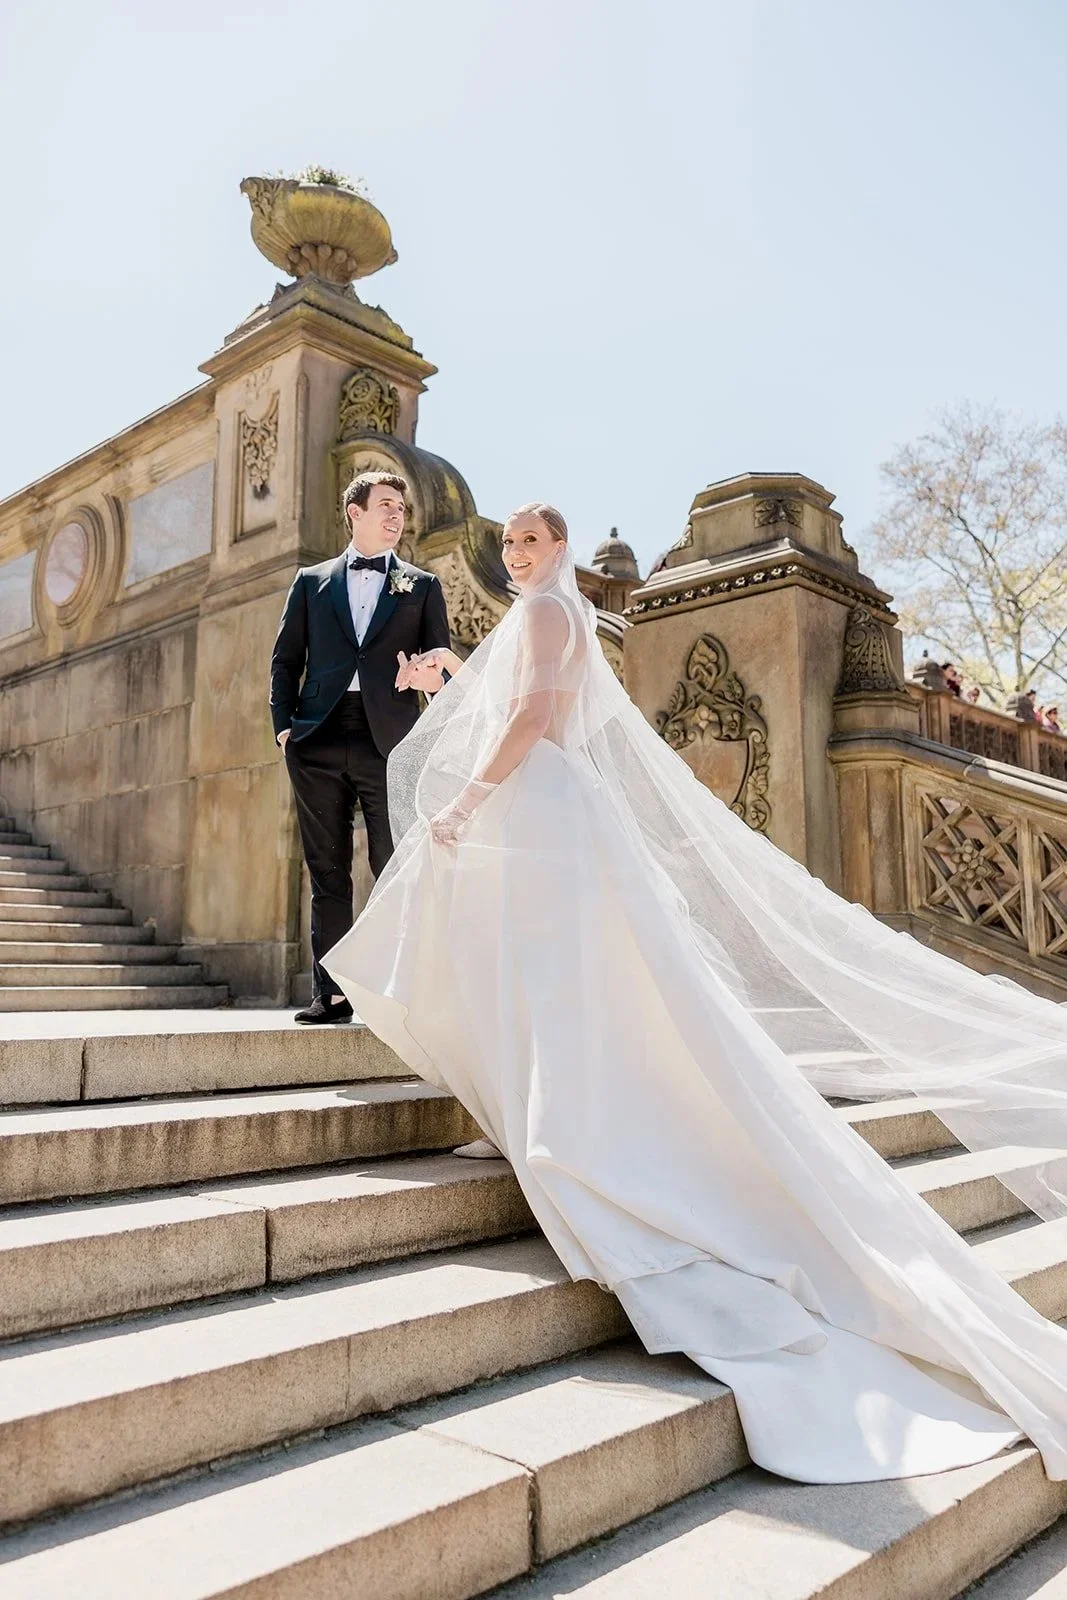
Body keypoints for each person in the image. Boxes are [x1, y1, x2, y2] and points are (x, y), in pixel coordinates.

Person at [324, 503, 1067, 1485]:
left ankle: (563, 1119)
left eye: (530, 544)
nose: (514, 557)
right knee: (547, 968)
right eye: (507, 544)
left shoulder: (551, 611)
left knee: (542, 964)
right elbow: (517, 698)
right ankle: (538, 1106)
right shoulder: (546, 614)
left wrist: (464, 798)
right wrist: (445, 675)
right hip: (547, 808)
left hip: (537, 806)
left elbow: (536, 718)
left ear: (560, 551)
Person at [270, 470, 450, 1024]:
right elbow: (285, 660)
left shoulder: (422, 586)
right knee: (327, 871)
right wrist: (284, 727)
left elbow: (441, 670)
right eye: (387, 506)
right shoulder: (310, 581)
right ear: (355, 512)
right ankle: (332, 994)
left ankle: (397, 990)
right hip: (316, 736)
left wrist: (426, 680)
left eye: (402, 509)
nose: (397, 516)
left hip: (390, 741)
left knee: (393, 863)